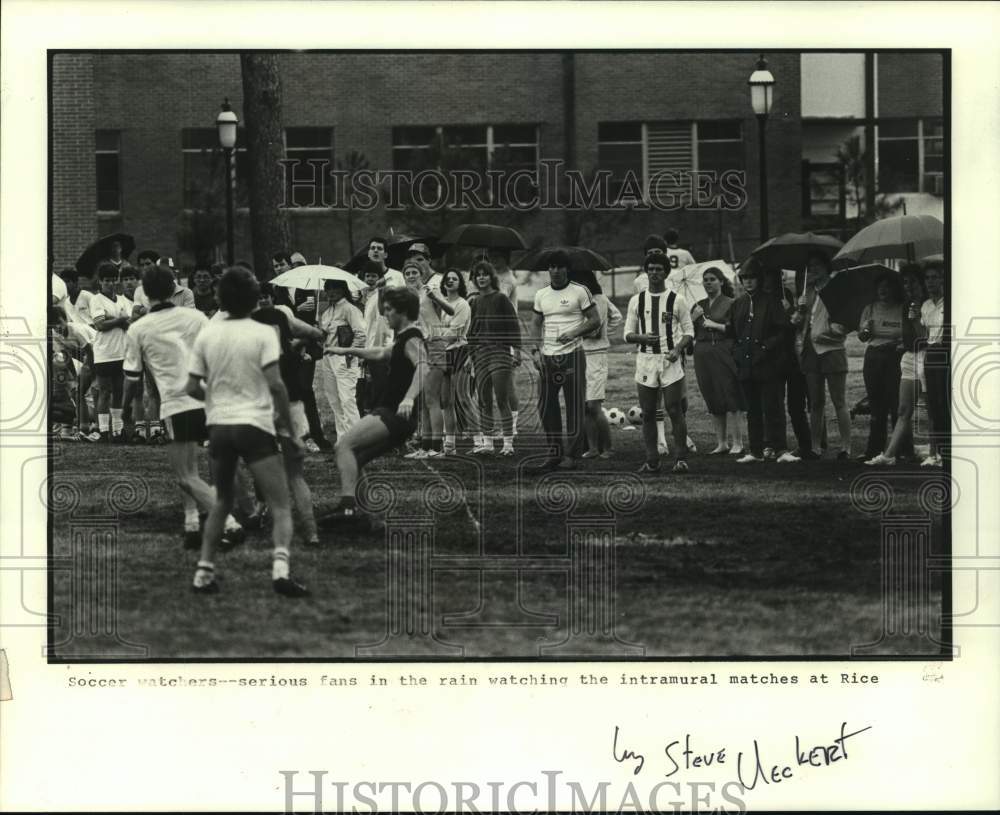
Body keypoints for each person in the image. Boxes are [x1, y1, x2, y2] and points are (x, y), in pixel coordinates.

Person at [186, 267, 308, 597]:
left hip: (220, 428)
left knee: (223, 502)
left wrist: (216, 401)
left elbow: (190, 386)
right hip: (254, 425)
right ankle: (280, 571)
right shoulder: (263, 333)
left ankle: (204, 571)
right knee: (281, 506)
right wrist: (290, 431)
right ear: (255, 299)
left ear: (219, 297)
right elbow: (277, 385)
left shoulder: (208, 334)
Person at [122, 263, 244, 548]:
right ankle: (191, 524)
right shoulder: (196, 316)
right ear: (173, 287)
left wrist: (123, 410)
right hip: (209, 398)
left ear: (144, 292)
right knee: (200, 470)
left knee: (186, 475)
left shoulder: (138, 328)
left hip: (177, 403)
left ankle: (228, 522)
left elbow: (131, 377)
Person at [318, 287, 429, 523]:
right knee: (355, 457)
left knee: (343, 446)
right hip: (401, 418)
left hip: (394, 412)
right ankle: (365, 516)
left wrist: (409, 398)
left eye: (389, 310)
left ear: (403, 312)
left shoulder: (412, 338)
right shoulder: (403, 338)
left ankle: (348, 509)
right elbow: (379, 352)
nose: (385, 314)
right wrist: (345, 349)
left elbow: (424, 366)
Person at [253, 282, 325, 547]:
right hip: (290, 400)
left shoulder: (246, 322)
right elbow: (316, 333)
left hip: (264, 402)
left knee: (263, 464)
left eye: (265, 297)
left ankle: (262, 513)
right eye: (258, 297)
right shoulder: (282, 317)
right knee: (295, 474)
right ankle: (311, 530)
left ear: (271, 298)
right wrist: (300, 344)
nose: (262, 301)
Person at [529, 251, 601, 471]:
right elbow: (535, 323)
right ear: (548, 269)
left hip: (572, 355)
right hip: (548, 357)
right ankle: (554, 454)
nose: (556, 271)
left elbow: (595, 320)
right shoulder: (541, 294)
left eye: (560, 267)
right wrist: (535, 351)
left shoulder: (580, 291)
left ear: (567, 269)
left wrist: (574, 332)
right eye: (552, 267)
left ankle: (571, 455)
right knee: (546, 405)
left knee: (574, 407)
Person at [624, 252, 694, 473]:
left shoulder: (677, 299)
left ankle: (681, 458)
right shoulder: (637, 300)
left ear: (666, 272)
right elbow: (627, 333)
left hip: (668, 359)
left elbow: (689, 332)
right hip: (645, 361)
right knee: (648, 412)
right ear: (646, 271)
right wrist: (641, 338)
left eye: (658, 269)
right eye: (651, 269)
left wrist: (677, 349)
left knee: (674, 409)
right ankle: (652, 460)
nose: (654, 273)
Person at [729, 261, 795, 463]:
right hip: (746, 365)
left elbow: (782, 330)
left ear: (759, 279)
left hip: (768, 364)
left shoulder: (771, 301)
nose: (748, 281)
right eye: (744, 278)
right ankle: (755, 451)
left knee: (772, 407)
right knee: (753, 410)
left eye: (752, 277)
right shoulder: (738, 304)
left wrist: (766, 347)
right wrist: (737, 352)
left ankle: (780, 449)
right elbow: (732, 332)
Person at [865, 264, 928, 467]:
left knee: (921, 408)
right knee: (894, 408)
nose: (908, 286)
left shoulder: (915, 306)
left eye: (912, 282)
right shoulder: (895, 306)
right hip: (895, 357)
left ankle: (916, 451)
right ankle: (882, 452)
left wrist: (915, 322)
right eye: (906, 282)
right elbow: (911, 339)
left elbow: (921, 336)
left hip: (914, 356)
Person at [795, 253, 853, 460]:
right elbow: (799, 322)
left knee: (839, 400)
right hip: (811, 349)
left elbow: (845, 320)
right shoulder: (808, 291)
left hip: (832, 349)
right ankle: (815, 447)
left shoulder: (836, 289)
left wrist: (835, 329)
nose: (813, 270)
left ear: (826, 267)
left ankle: (846, 447)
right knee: (815, 401)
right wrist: (799, 311)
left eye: (817, 265)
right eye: (810, 267)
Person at [467, 261, 522, 457]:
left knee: (502, 399)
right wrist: (471, 355)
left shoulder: (501, 299)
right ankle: (488, 443)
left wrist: (517, 351)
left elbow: (513, 326)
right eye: (477, 275)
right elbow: (470, 332)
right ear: (473, 279)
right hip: (479, 355)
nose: (481, 278)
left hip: (500, 353)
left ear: (492, 277)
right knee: (483, 400)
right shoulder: (473, 302)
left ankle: (508, 443)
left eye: (485, 274)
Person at [691, 266, 744, 455]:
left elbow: (736, 329)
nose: (708, 283)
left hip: (724, 350)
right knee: (712, 396)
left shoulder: (732, 303)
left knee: (731, 395)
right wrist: (692, 318)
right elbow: (689, 332)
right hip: (702, 353)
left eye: (712, 279)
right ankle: (721, 442)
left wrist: (714, 325)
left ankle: (737, 441)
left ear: (721, 281)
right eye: (705, 280)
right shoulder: (698, 305)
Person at [765, 267, 814, 459]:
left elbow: (794, 326)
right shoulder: (769, 299)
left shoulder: (787, 297)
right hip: (779, 359)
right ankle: (777, 444)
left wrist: (792, 311)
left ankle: (805, 444)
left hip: (793, 359)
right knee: (778, 405)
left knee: (795, 406)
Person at [857, 271, 905, 461]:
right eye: (880, 287)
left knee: (896, 405)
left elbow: (909, 334)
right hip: (874, 358)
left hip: (895, 358)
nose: (883, 290)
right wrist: (866, 330)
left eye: (887, 286)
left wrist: (896, 342)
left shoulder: (903, 308)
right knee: (877, 407)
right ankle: (874, 450)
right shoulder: (870, 308)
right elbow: (862, 337)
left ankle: (898, 451)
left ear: (895, 288)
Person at [578, 268, 622, 459]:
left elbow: (595, 330)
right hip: (580, 353)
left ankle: (609, 448)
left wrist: (604, 335)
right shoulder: (580, 299)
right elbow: (617, 317)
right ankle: (593, 448)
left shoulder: (598, 299)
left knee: (594, 405)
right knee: (584, 405)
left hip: (596, 355)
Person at [318, 279, 366, 439]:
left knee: (347, 400)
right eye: (328, 288)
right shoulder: (326, 312)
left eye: (335, 288)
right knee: (334, 400)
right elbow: (323, 338)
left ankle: (356, 439)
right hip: (328, 358)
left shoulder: (349, 309)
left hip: (344, 358)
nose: (331, 292)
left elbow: (360, 334)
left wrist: (350, 352)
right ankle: (342, 438)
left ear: (343, 290)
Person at [89, 262, 132, 441]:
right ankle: (104, 430)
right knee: (104, 391)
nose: (110, 283)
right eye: (107, 280)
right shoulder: (96, 300)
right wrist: (118, 320)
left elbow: (129, 323)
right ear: (100, 281)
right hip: (104, 353)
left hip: (121, 352)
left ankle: (117, 429)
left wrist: (113, 319)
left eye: (114, 280)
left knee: (119, 391)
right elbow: (100, 325)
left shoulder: (122, 300)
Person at [920, 259, 947, 467]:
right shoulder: (925, 305)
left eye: (934, 277)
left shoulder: (950, 302)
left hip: (945, 353)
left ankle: (947, 451)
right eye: (927, 278)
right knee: (934, 404)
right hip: (930, 353)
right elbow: (923, 333)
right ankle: (938, 452)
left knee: (944, 402)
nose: (930, 282)